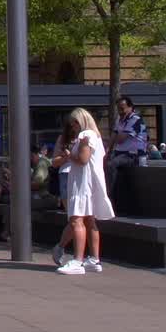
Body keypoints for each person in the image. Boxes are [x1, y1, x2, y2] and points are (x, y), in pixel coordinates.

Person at [53, 109, 113, 275]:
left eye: (74, 123)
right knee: (89, 221)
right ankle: (94, 259)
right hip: (91, 182)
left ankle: (78, 260)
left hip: (82, 183)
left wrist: (69, 154)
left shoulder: (85, 136)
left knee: (76, 220)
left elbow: (82, 159)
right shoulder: (96, 136)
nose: (73, 127)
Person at [109, 96, 149, 190]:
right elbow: (113, 136)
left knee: (112, 164)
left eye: (122, 109)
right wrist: (106, 152)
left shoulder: (135, 119)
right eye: (118, 109)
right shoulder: (120, 120)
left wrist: (116, 136)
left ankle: (109, 193)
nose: (120, 112)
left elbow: (120, 139)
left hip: (133, 155)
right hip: (121, 153)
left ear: (130, 107)